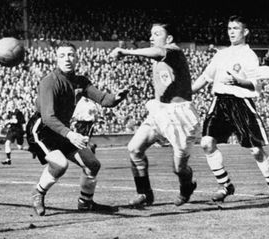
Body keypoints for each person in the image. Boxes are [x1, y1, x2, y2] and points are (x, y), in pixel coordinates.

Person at [192, 15, 269, 203]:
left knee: (256, 151)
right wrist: (185, 93)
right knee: (206, 143)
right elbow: (204, 78)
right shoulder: (220, 54)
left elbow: (253, 86)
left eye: (236, 28)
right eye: (229, 28)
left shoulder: (249, 56)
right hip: (220, 102)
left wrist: (238, 81)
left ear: (245, 32)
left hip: (241, 103)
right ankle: (226, 186)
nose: (232, 32)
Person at [26, 41, 128, 216]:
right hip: (41, 130)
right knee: (60, 165)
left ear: (76, 58)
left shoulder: (80, 81)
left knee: (93, 164)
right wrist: (70, 134)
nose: (67, 59)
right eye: (62, 55)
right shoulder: (49, 82)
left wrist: (116, 98)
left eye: (71, 55)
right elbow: (48, 117)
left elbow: (104, 99)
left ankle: (85, 202)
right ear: (56, 59)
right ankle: (39, 192)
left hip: (63, 130)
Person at [110, 21, 201, 207]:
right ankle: (145, 194)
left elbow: (158, 52)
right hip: (160, 110)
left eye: (157, 34)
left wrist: (127, 51)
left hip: (180, 116)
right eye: (151, 34)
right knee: (134, 149)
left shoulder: (174, 51)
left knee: (179, 168)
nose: (151, 38)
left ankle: (186, 186)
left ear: (169, 39)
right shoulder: (157, 57)